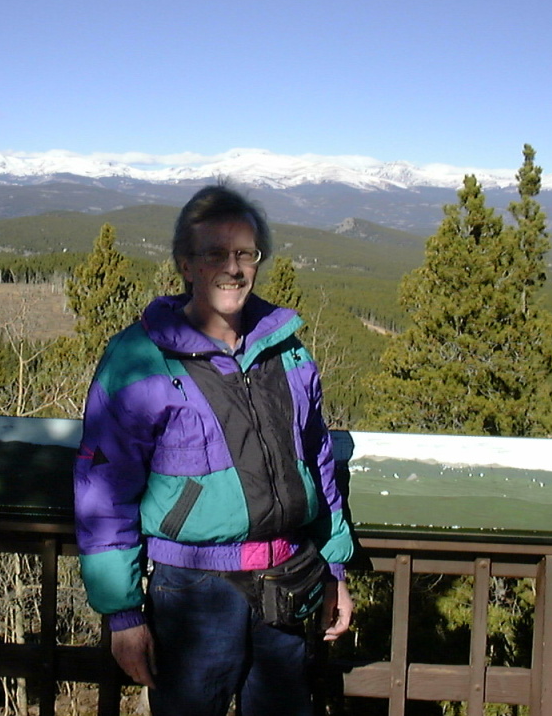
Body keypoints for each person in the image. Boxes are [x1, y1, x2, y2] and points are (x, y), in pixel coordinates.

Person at [74, 182, 354, 716]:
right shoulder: (140, 357)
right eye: (215, 254)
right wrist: (122, 613)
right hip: (193, 593)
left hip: (289, 579)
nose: (233, 268)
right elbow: (103, 491)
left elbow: (318, 461)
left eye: (245, 254)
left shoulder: (287, 351)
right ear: (186, 264)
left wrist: (334, 568)